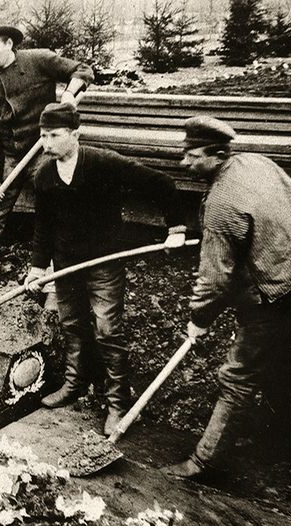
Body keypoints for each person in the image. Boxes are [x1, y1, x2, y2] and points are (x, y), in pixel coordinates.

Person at [161, 116, 291, 478]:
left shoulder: (222, 204)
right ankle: (277, 432)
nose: (183, 162)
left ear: (217, 154)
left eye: (191, 156)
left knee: (237, 374)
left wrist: (198, 320)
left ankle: (204, 461)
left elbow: (215, 281)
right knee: (280, 353)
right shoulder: (255, 161)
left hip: (272, 289)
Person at [24, 102, 188, 434]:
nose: (46, 143)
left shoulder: (103, 163)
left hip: (104, 263)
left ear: (74, 134)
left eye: (54, 135)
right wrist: (37, 268)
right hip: (66, 265)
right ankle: (74, 384)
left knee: (108, 331)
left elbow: (161, 184)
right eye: (42, 136)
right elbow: (43, 226)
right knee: (71, 325)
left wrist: (176, 228)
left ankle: (118, 404)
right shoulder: (43, 175)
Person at [0, 17, 95, 290]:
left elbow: (83, 70)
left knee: (54, 208)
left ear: (9, 43)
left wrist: (70, 95)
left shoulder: (39, 60)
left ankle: (52, 282)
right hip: (11, 156)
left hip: (43, 149)